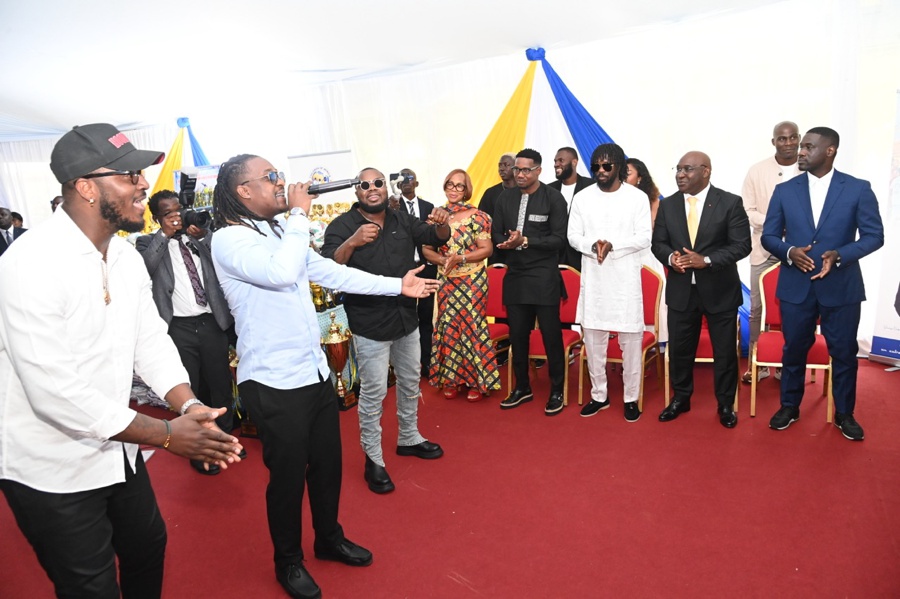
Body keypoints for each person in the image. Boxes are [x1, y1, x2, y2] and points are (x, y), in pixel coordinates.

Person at [0, 123, 243, 598]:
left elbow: (149, 341)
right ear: (86, 187)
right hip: (52, 466)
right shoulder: (29, 264)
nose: (143, 185)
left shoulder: (126, 258)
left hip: (117, 448)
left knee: (147, 549)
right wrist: (168, 435)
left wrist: (189, 405)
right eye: (129, 175)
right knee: (91, 587)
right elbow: (55, 394)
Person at [210, 155, 439, 599]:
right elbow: (280, 274)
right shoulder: (230, 239)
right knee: (288, 478)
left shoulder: (277, 232)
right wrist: (299, 214)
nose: (281, 183)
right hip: (273, 381)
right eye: (271, 177)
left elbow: (330, 272)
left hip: (312, 372)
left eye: (279, 175)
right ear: (243, 191)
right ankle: (288, 561)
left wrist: (397, 286)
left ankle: (329, 538)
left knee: (327, 466)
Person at [321, 167, 449, 496]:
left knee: (410, 381)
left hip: (406, 316)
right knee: (374, 392)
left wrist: (442, 222)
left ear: (384, 187)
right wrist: (352, 242)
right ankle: (373, 459)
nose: (372, 188)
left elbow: (437, 237)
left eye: (378, 182)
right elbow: (329, 267)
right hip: (369, 322)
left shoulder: (401, 218)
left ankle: (409, 437)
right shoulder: (342, 226)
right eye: (364, 184)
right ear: (357, 191)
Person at [762, 127, 884, 441]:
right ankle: (789, 406)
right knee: (793, 349)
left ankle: (844, 413)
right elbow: (769, 236)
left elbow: (874, 236)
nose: (800, 152)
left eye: (808, 147)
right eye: (801, 146)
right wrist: (789, 251)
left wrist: (840, 255)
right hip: (796, 286)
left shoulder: (857, 188)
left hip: (841, 285)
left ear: (830, 151)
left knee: (844, 352)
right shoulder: (785, 190)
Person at [136, 190, 237, 475]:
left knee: (220, 385)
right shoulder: (147, 242)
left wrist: (202, 235)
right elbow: (145, 268)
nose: (176, 217)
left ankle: (225, 440)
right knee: (192, 389)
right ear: (157, 218)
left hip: (211, 322)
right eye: (168, 213)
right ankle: (201, 449)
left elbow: (220, 259)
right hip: (178, 327)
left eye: (178, 210)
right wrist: (165, 235)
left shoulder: (199, 236)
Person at [651, 151, 750, 429]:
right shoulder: (668, 205)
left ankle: (725, 404)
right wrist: (671, 258)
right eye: (678, 169)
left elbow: (742, 245)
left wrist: (705, 260)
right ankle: (681, 398)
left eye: (688, 169)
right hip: (681, 291)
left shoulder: (730, 202)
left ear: (706, 171)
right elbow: (658, 243)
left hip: (720, 290)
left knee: (725, 353)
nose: (680, 175)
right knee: (680, 351)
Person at [569, 144, 651, 422]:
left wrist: (614, 245)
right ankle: (599, 395)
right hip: (594, 278)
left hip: (625, 280)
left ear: (619, 167)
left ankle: (630, 398)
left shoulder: (637, 197)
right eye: (596, 166)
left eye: (607, 166)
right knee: (594, 341)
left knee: (631, 342)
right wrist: (592, 245)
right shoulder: (582, 198)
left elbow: (644, 237)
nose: (601, 171)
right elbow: (572, 236)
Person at [492, 148, 569, 415]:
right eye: (517, 169)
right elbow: (495, 233)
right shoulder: (505, 197)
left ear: (538, 170)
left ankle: (557, 390)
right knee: (518, 336)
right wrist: (507, 242)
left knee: (550, 335)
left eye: (526, 170)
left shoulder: (553, 198)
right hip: (515, 275)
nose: (520, 174)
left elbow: (559, 239)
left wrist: (525, 241)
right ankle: (522, 387)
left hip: (544, 275)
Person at [421, 168, 500, 401]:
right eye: (450, 184)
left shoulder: (478, 216)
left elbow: (487, 249)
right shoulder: (436, 216)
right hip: (446, 279)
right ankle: (452, 379)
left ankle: (477, 381)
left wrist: (461, 258)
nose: (454, 189)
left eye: (459, 186)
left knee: (471, 325)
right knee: (448, 326)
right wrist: (442, 260)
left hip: (472, 279)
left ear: (467, 190)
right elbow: (426, 249)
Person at [741, 121, 801, 384]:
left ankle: (790, 365)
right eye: (782, 139)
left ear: (799, 139)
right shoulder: (757, 171)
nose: (788, 143)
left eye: (792, 138)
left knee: (795, 309)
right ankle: (757, 365)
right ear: (773, 141)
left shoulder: (810, 168)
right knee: (757, 308)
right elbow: (747, 210)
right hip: (764, 249)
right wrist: (775, 224)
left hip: (800, 251)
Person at [396, 167, 438, 374]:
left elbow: (434, 236)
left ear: (417, 183)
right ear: (397, 184)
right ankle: (409, 363)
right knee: (408, 318)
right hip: (404, 272)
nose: (406, 181)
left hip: (427, 268)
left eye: (410, 178)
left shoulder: (428, 207)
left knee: (426, 316)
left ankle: (427, 361)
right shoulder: (393, 207)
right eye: (402, 179)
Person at [478, 153, 517, 265]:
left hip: (520, 249)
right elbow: (481, 220)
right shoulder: (490, 193)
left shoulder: (524, 191)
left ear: (516, 168)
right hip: (497, 249)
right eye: (500, 165)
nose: (502, 169)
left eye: (506, 165)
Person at [624, 157, 661, 227]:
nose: (623, 178)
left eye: (628, 174)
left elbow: (654, 227)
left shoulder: (652, 200)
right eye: (621, 174)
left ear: (639, 177)